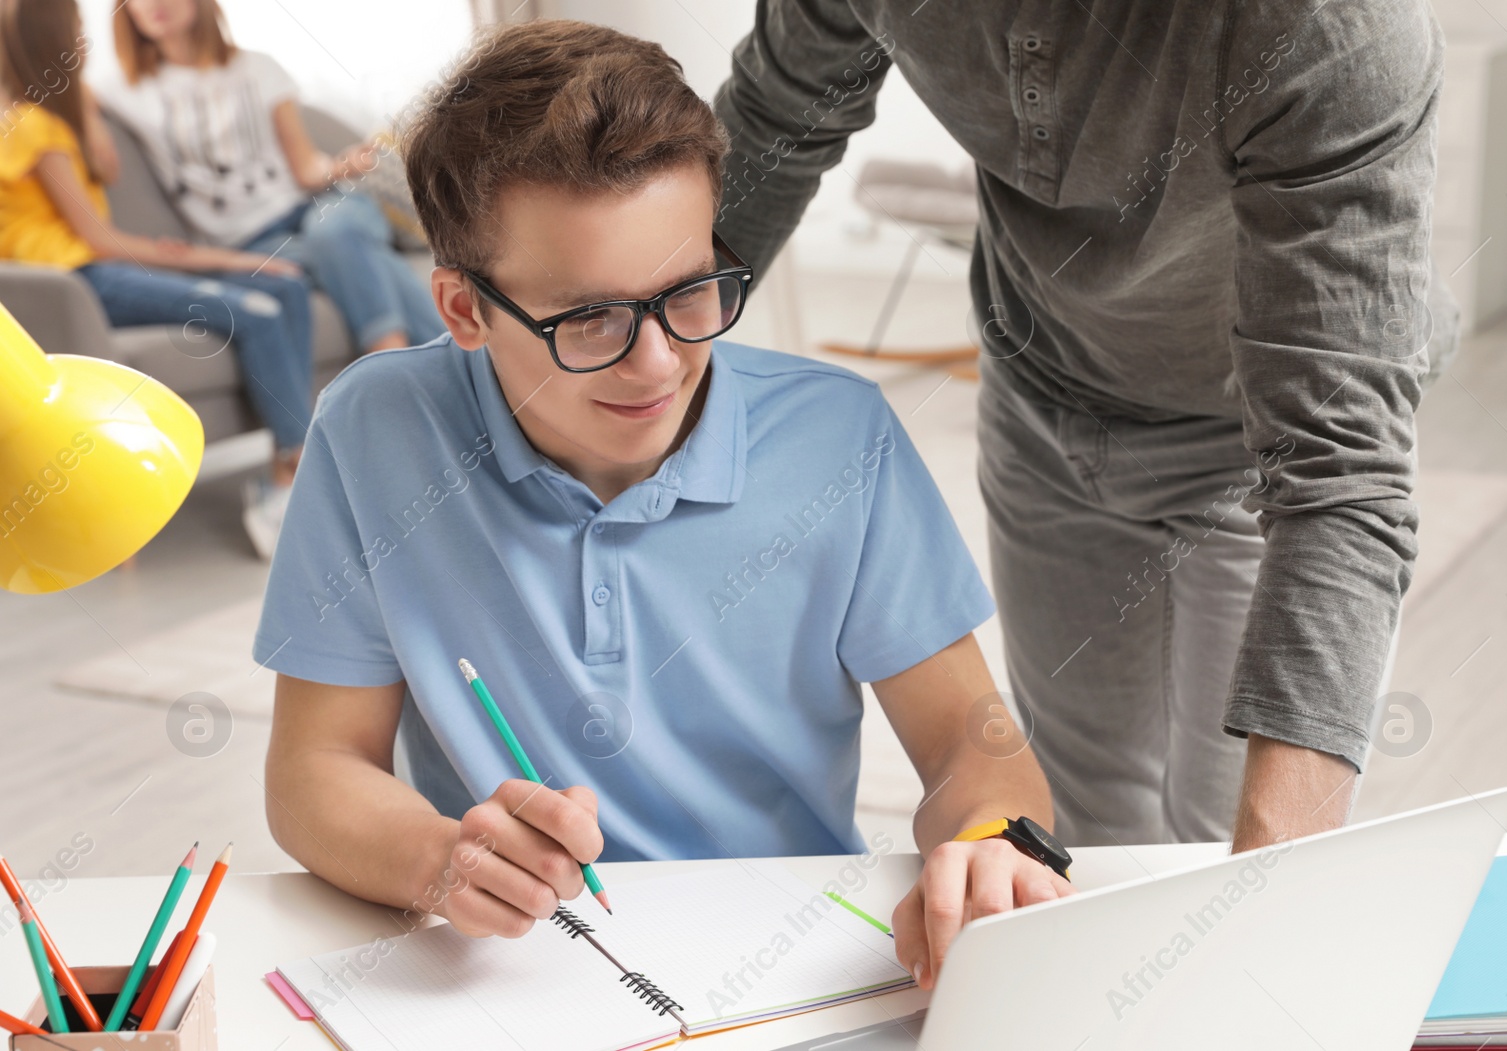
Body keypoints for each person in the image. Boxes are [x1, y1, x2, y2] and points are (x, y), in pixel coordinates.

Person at [254, 19, 1072, 990]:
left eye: (688, 294)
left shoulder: (838, 437)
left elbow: (970, 742)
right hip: (513, 974)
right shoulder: (372, 430)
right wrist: (443, 860)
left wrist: (990, 840)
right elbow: (313, 772)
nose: (659, 363)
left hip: (794, 975)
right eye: (589, 318)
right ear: (464, 310)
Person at [711, 0, 1460, 852]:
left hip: (1257, 430)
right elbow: (778, 117)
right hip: (1042, 381)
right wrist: (621, 341)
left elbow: (1340, 478)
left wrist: (1264, 896)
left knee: (1218, 854)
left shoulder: (1333, 28)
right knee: (1078, 828)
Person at [0, 0, 312, 557]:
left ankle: (291, 464)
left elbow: (106, 163)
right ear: (55, 39)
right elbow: (100, 240)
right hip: (82, 278)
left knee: (287, 286)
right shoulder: (33, 127)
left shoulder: (62, 111)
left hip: (102, 267)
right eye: (74, 29)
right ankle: (296, 476)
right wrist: (225, 260)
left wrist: (82, 103)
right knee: (258, 308)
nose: (84, 38)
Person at [94, 0, 442, 356]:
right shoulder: (121, 87)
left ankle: (384, 359)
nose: (154, 4)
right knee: (359, 257)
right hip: (254, 241)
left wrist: (341, 165)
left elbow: (306, 169)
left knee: (334, 232)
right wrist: (93, 128)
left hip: (321, 207)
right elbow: (59, 104)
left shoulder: (258, 68)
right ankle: (457, 362)